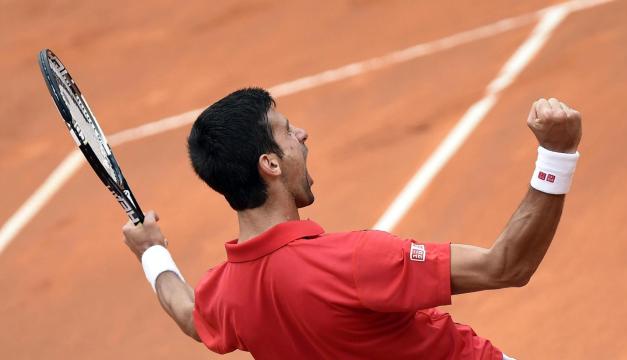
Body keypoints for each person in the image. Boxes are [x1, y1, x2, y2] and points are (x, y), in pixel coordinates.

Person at [123, 88, 581, 359]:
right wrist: (556, 155)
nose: (301, 134)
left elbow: (188, 314)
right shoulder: (354, 261)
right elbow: (506, 266)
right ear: (271, 164)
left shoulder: (226, 295)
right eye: (287, 130)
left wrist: (152, 253)